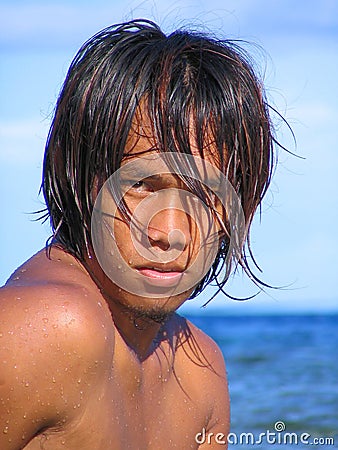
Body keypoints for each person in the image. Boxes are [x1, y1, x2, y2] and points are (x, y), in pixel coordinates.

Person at [0, 19, 276, 449]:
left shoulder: (199, 369)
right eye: (142, 185)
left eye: (206, 195)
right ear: (82, 178)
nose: (170, 233)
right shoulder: (47, 326)